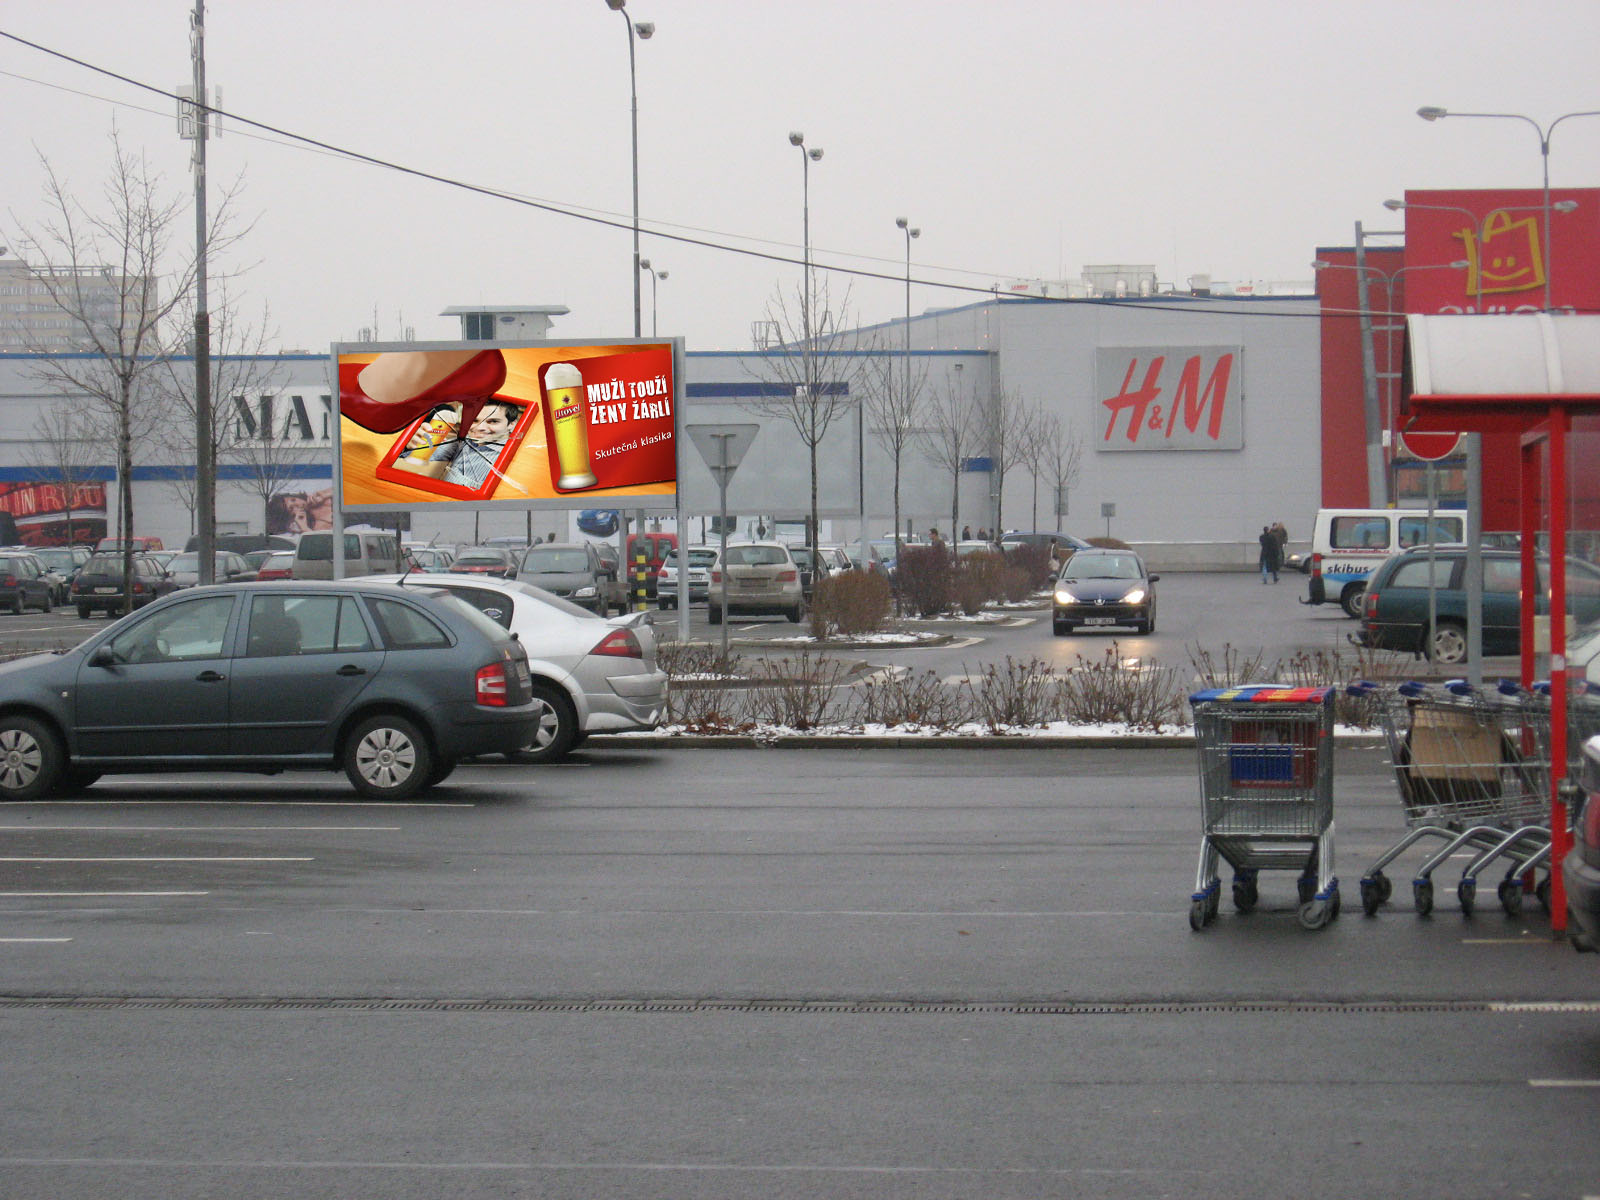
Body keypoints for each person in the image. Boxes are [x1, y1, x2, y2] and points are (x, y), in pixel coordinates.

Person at [404, 400, 520, 491]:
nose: (479, 428)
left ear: (512, 424)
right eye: (474, 420)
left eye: (493, 421)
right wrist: (409, 445)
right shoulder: (465, 442)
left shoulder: (512, 460)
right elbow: (411, 459)